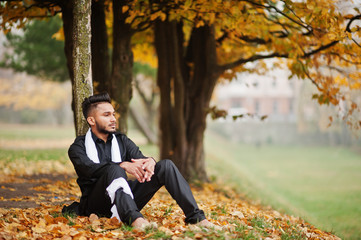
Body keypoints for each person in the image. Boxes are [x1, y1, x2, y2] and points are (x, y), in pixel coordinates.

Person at [67, 92, 216, 230]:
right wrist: (121, 165)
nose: (113, 119)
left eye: (113, 114)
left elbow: (140, 159)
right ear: (91, 120)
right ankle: (135, 219)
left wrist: (149, 161)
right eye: (107, 115)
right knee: (115, 169)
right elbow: (90, 169)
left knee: (165, 166)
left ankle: (196, 218)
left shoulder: (121, 140)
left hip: (125, 198)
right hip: (96, 203)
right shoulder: (78, 148)